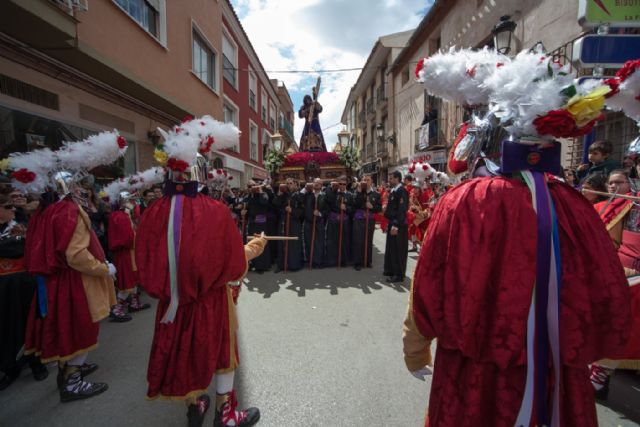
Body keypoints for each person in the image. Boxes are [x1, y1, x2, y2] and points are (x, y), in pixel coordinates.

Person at [136, 116, 264, 427]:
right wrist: (253, 249)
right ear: (200, 174)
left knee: (185, 354)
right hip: (210, 300)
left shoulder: (152, 212)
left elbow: (145, 262)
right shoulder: (216, 211)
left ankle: (194, 405)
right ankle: (226, 413)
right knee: (224, 353)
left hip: (170, 303)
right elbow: (232, 264)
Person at [22, 131, 125, 403]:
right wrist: (105, 269)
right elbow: (76, 255)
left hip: (55, 281)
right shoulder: (68, 211)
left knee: (66, 330)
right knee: (81, 330)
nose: (82, 189)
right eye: (78, 184)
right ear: (69, 187)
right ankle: (73, 380)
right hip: (74, 281)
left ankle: (68, 369)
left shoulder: (44, 211)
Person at [589, 170, 640, 399]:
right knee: (615, 324)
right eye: (610, 183)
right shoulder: (622, 205)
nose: (612, 186)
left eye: (618, 182)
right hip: (623, 276)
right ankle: (600, 376)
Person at [0, 193, 48, 390]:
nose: (13, 209)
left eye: (13, 206)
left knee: (28, 322)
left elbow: (25, 247)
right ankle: (10, 367)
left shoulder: (21, 224)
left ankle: (36, 362)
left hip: (23, 282)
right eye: (7, 206)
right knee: (6, 326)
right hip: (3, 287)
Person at [107, 191, 150, 321]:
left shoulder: (124, 215)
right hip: (125, 253)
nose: (133, 203)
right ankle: (116, 309)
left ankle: (134, 303)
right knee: (127, 282)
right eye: (130, 201)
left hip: (131, 252)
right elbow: (127, 239)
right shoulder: (119, 216)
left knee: (134, 279)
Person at [273, 179, 304, 272]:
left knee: (293, 244)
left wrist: (293, 211)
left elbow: (303, 211)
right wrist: (279, 194)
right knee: (281, 243)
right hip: (283, 221)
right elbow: (275, 205)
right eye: (287, 183)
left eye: (290, 183)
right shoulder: (283, 195)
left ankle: (294, 265)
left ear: (295, 185)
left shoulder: (299, 195)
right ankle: (281, 265)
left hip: (294, 222)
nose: (288, 185)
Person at [383, 171, 409, 283]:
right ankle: (391, 270)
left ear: (397, 179)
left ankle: (398, 274)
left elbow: (402, 210)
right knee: (391, 249)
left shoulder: (401, 191)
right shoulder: (394, 191)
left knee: (398, 250)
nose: (390, 180)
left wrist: (396, 225)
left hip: (398, 225)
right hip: (392, 222)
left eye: (392, 178)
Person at [351, 175, 382, 271]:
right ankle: (357, 262)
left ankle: (368, 261)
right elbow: (355, 204)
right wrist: (359, 192)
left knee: (368, 239)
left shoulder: (376, 194)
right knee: (358, 240)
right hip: (359, 219)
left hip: (370, 220)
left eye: (367, 180)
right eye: (364, 180)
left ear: (371, 181)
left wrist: (372, 207)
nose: (365, 181)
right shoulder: (358, 192)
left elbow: (379, 208)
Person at [324, 177, 352, 268]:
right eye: (340, 184)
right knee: (332, 240)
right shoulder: (332, 193)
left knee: (344, 241)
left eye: (344, 184)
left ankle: (344, 261)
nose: (342, 186)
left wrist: (346, 208)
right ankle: (332, 261)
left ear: (346, 185)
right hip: (333, 220)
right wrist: (331, 186)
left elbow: (353, 209)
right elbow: (327, 201)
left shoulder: (350, 195)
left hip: (344, 221)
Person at [301, 178, 327, 268]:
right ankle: (310, 261)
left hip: (319, 223)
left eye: (319, 183)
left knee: (319, 243)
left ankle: (318, 261)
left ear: (321, 185)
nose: (316, 184)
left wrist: (319, 213)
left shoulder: (324, 195)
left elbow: (327, 210)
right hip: (308, 222)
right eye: (315, 182)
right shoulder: (307, 194)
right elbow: (298, 198)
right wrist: (305, 188)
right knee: (308, 242)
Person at [246, 182, 272, 273]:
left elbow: (264, 202)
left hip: (261, 223)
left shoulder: (263, 194)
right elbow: (246, 206)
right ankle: (254, 264)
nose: (251, 188)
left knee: (261, 243)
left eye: (253, 186)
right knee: (252, 243)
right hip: (252, 223)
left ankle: (262, 266)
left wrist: (260, 191)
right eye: (249, 186)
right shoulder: (249, 196)